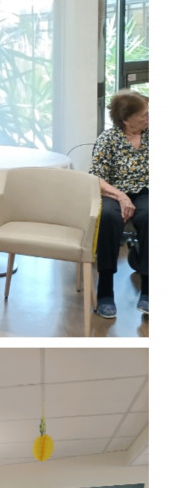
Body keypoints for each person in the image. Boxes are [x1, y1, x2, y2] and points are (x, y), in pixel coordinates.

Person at [90, 90, 149, 318]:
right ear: (126, 119)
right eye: (143, 115)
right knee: (108, 218)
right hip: (114, 193)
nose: (148, 118)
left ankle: (148, 289)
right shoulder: (108, 138)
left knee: (151, 216)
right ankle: (105, 289)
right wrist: (121, 196)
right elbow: (96, 177)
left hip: (147, 192)